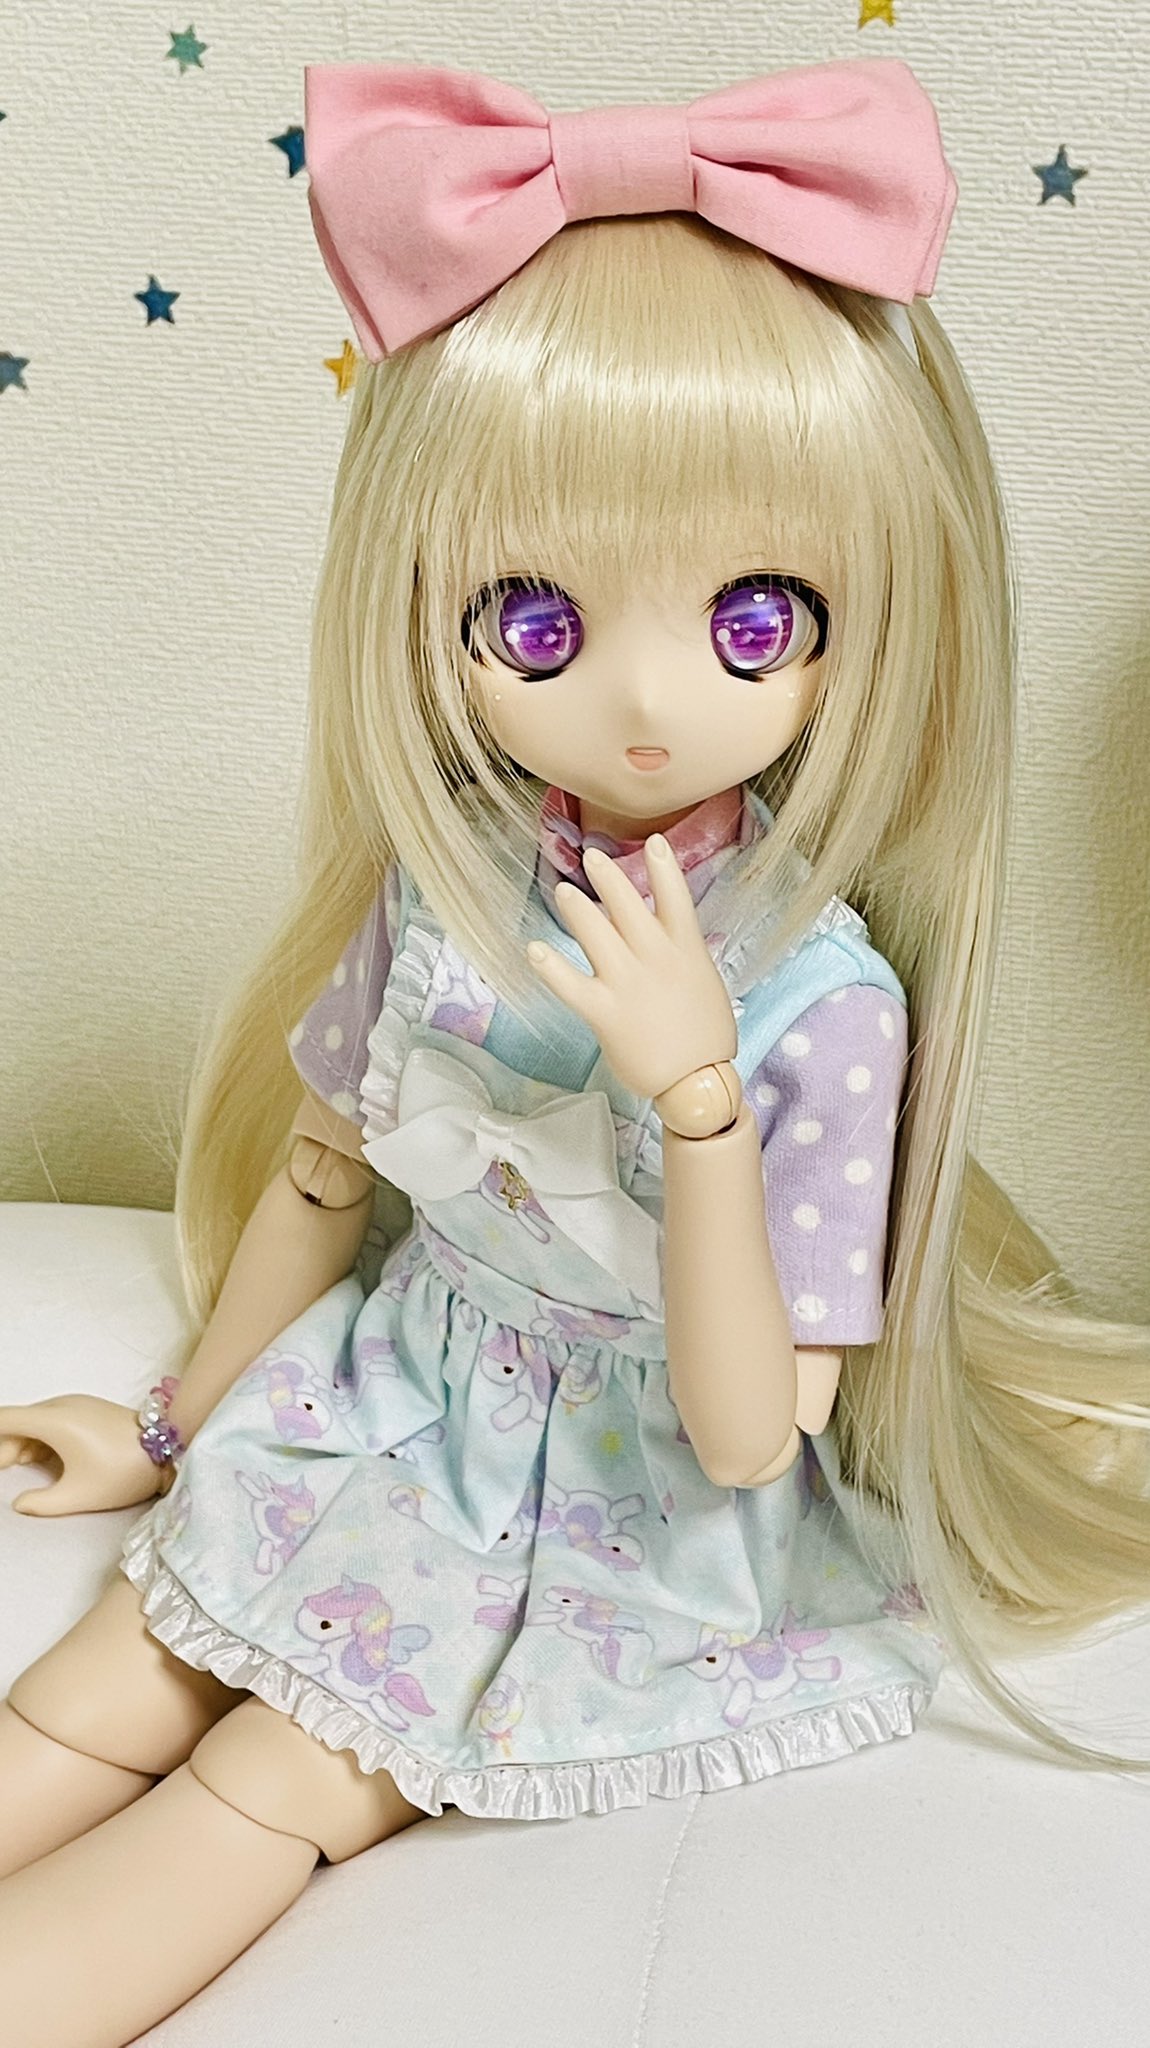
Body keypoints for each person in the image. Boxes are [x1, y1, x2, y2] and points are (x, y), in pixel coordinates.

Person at [1, 55, 1147, 2048]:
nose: (640, 703)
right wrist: (174, 1427)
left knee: (262, 1787)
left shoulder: (820, 1008)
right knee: (93, 1689)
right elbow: (323, 1178)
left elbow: (748, 1433)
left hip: (619, 1516)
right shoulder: (446, 883)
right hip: (391, 1402)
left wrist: (697, 1104)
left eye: (753, 620)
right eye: (531, 620)